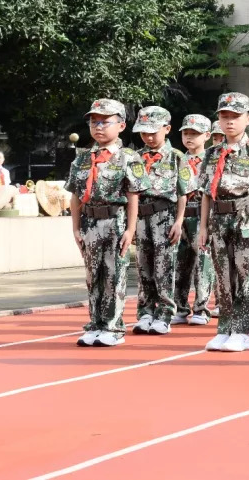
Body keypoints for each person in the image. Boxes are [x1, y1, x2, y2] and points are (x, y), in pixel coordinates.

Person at [66, 99, 148, 347]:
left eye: (105, 121)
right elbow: (75, 195)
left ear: (121, 125)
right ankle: (95, 324)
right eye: (94, 122)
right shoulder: (82, 159)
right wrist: (76, 228)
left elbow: (134, 196)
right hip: (90, 221)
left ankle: (112, 326)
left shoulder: (128, 158)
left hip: (115, 221)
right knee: (93, 275)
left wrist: (131, 229)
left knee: (114, 274)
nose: (98, 126)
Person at [197, 92, 249, 353]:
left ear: (248, 118)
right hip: (218, 218)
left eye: (235, 117)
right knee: (222, 277)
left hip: (245, 217)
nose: (229, 122)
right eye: (224, 116)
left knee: (244, 275)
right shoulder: (210, 154)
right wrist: (203, 227)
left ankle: (242, 330)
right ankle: (225, 327)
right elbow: (207, 192)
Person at [130, 106, 192, 335]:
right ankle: (145, 312)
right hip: (141, 216)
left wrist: (179, 221)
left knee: (164, 267)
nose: (148, 137)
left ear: (166, 129)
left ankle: (165, 313)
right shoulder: (135, 157)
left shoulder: (177, 158)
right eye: (143, 132)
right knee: (143, 266)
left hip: (165, 215)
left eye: (153, 132)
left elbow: (183, 193)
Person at [173, 114, 215, 326]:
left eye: (195, 134)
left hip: (202, 215)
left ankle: (201, 309)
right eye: (186, 133)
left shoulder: (213, 158)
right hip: (180, 217)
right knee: (180, 265)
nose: (189, 137)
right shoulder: (176, 159)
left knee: (203, 265)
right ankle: (180, 308)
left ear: (206, 135)